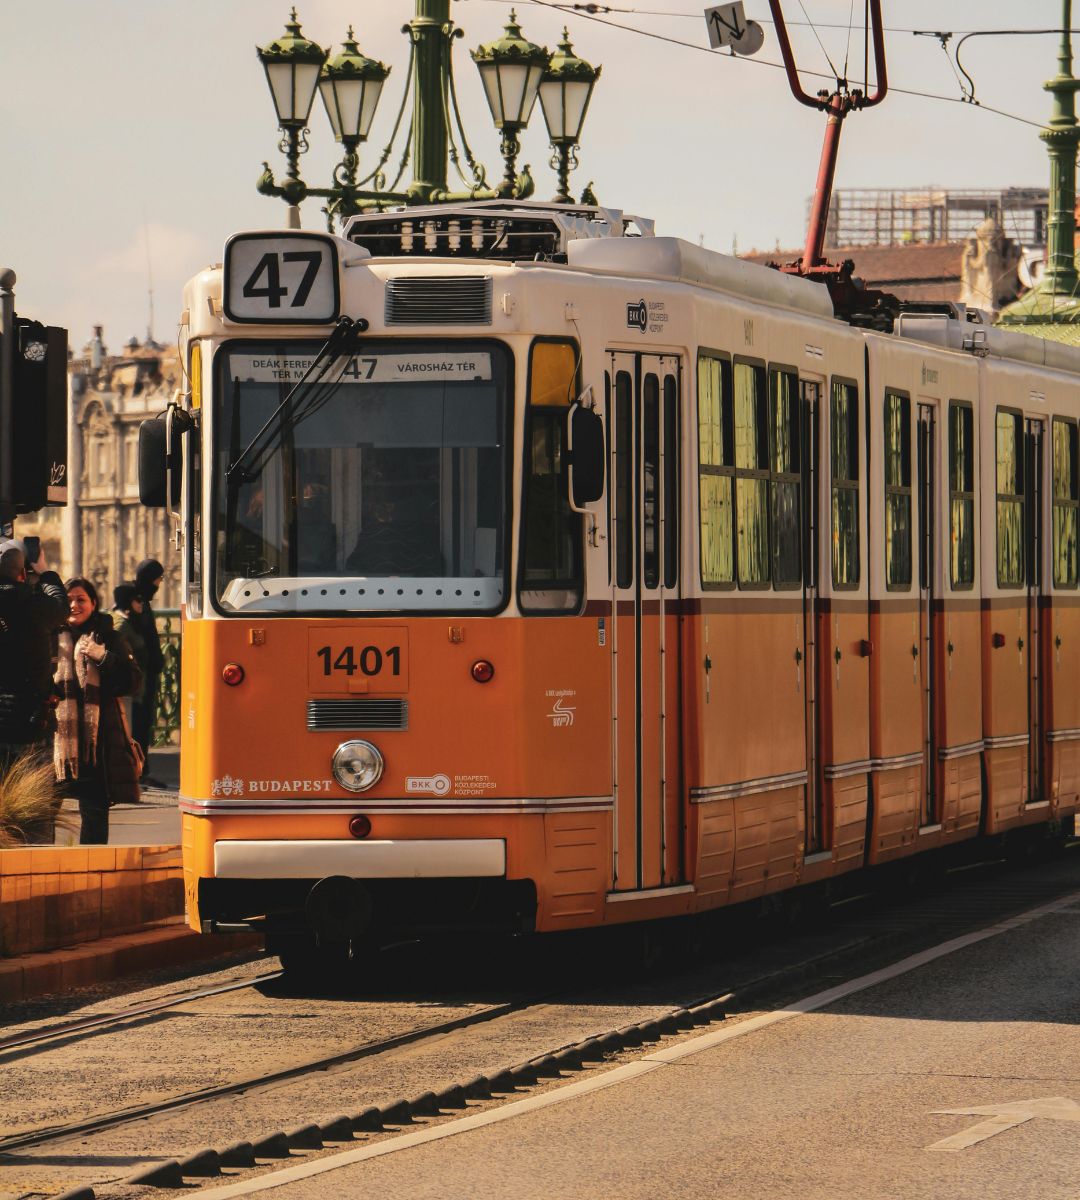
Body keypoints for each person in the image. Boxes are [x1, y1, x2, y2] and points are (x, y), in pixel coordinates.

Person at [54, 577, 142, 844]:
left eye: (81, 599)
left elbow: (132, 682)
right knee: (42, 812)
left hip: (96, 741)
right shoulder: (50, 637)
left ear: (93, 603)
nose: (74, 605)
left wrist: (103, 657)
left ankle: (93, 865)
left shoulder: (109, 637)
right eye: (69, 599)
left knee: (93, 813)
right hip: (57, 742)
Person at [0, 537, 67, 772]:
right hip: (30, 715)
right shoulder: (35, 605)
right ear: (22, 574)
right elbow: (61, 606)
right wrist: (46, 573)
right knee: (33, 780)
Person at [131, 558, 165, 779]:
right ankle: (139, 769)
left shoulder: (140, 598)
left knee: (143, 721)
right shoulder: (137, 600)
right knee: (140, 721)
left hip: (146, 671)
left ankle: (142, 767)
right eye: (158, 579)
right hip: (141, 672)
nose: (159, 584)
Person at [112, 582, 147, 747]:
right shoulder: (121, 624)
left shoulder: (128, 621)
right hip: (129, 691)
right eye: (137, 600)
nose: (141, 603)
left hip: (135, 688)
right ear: (128, 601)